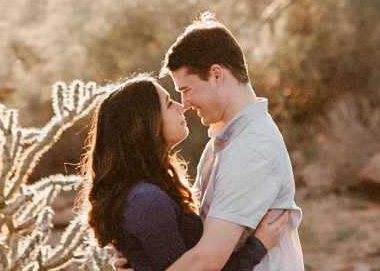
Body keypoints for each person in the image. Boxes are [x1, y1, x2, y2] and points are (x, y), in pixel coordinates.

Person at [84, 76, 290, 271]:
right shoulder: (146, 200)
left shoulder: (147, 193)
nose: (181, 106)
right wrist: (259, 245)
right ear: (146, 125)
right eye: (168, 104)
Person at [159, 16, 304, 271]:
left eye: (187, 89)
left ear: (216, 75)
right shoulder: (225, 141)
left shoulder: (250, 150)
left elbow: (206, 261)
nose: (186, 103)